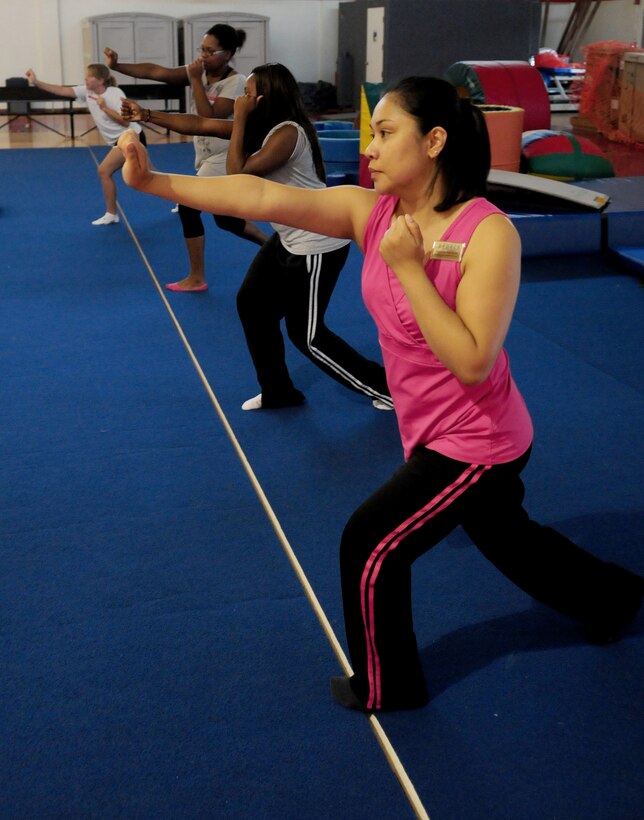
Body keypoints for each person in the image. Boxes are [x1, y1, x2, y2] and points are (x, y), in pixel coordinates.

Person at [117, 76, 643, 712]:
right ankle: (613, 597)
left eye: (386, 134)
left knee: (370, 543)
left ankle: (387, 686)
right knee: (507, 536)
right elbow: (260, 192)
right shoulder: (375, 212)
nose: (370, 148)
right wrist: (155, 184)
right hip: (433, 426)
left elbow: (474, 362)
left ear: (435, 142)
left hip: (476, 438)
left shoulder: (488, 233)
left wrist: (406, 268)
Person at [121, 63, 391, 410]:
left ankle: (384, 389)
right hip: (288, 237)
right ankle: (279, 391)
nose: (241, 99)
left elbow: (238, 178)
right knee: (252, 304)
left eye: (247, 94)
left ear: (265, 98)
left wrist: (241, 118)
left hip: (317, 245)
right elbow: (202, 124)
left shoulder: (287, 133)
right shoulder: (266, 126)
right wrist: (146, 114)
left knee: (307, 336)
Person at [104, 24, 268, 292]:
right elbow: (156, 72)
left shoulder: (235, 82)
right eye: (201, 49)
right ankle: (275, 247)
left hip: (226, 156)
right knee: (225, 219)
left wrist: (194, 79)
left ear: (227, 54)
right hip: (206, 157)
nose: (202, 55)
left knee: (188, 205)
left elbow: (209, 117)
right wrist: (118, 66)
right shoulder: (201, 73)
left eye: (209, 51)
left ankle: (196, 277)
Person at [25, 64, 145, 225]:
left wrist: (104, 107)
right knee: (148, 174)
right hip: (120, 139)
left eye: (89, 76)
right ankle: (182, 199)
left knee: (104, 171)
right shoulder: (87, 91)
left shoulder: (115, 94)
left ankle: (111, 214)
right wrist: (36, 82)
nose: (85, 79)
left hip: (130, 136)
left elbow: (125, 122)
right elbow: (61, 90)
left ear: (101, 80)